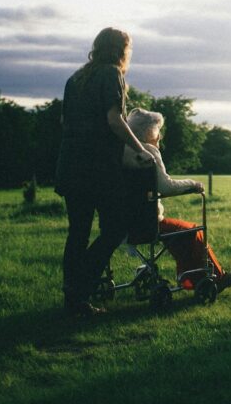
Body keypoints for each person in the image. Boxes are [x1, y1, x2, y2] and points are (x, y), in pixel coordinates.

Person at [55, 27, 155, 316]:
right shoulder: (112, 73)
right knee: (116, 228)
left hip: (70, 165)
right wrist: (140, 148)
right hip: (97, 168)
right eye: (129, 48)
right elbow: (114, 119)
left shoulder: (75, 78)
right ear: (121, 49)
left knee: (78, 233)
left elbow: (65, 121)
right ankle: (80, 287)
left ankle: (73, 298)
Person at [122, 108, 231, 292]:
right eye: (158, 131)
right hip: (147, 223)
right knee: (192, 231)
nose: (160, 136)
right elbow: (166, 187)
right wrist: (193, 184)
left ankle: (190, 279)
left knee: (179, 233)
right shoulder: (148, 152)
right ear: (148, 132)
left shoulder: (121, 151)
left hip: (122, 223)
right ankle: (214, 278)